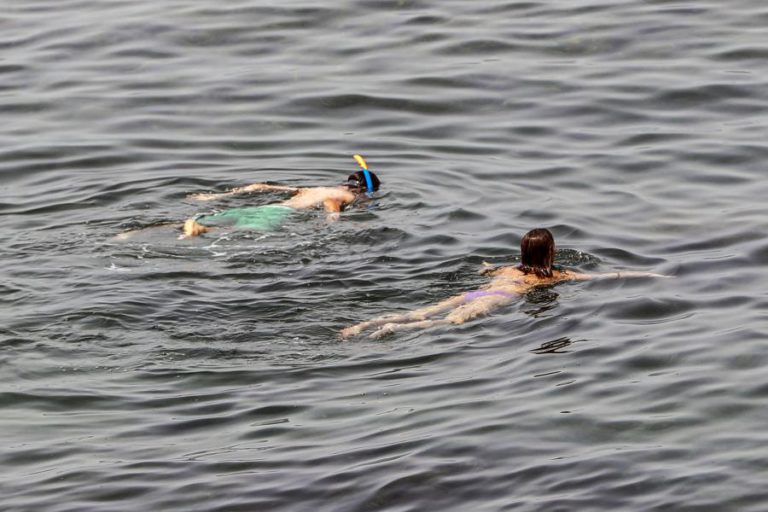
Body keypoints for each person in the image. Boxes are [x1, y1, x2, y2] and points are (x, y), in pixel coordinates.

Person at [340, 228, 669, 339]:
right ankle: (396, 331)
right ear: (550, 252)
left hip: (479, 289)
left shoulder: (510, 268)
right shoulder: (554, 276)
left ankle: (364, 325)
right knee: (452, 322)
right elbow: (605, 277)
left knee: (425, 310)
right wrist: (648, 274)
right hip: (501, 298)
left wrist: (486, 268)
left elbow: (487, 269)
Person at [117, 155, 381, 239]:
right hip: (279, 215)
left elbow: (260, 186)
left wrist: (213, 197)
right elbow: (331, 205)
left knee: (222, 220)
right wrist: (331, 224)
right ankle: (201, 229)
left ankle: (131, 234)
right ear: (364, 191)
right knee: (237, 235)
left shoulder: (317, 187)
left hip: (271, 206)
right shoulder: (343, 195)